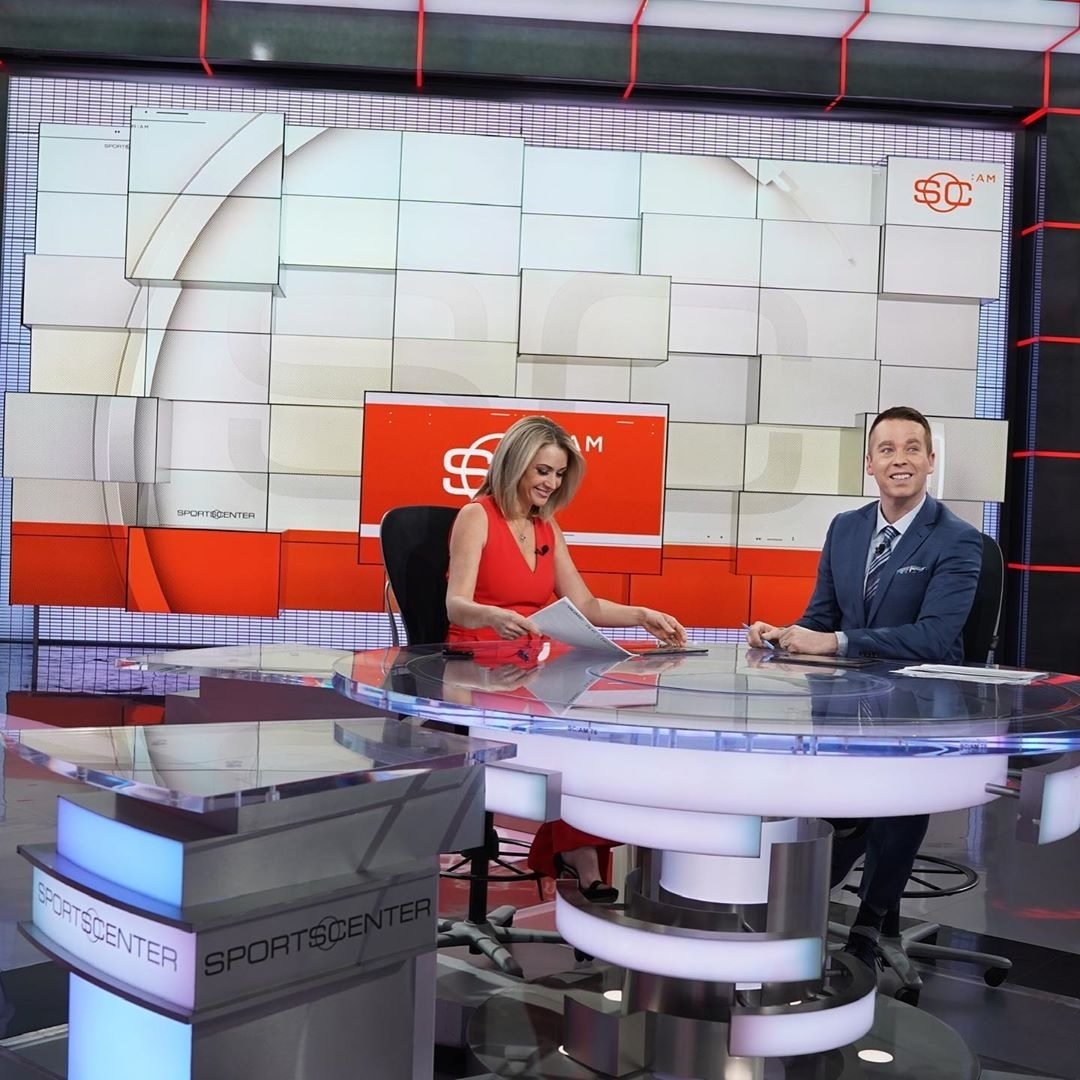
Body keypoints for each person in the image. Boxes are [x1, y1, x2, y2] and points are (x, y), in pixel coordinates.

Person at [747, 405, 982, 972]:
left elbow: (935, 637)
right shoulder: (846, 529)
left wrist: (837, 642)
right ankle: (792, 908)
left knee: (894, 802)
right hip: (846, 705)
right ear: (870, 464)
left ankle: (870, 926)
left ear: (930, 461)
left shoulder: (959, 540)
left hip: (918, 711)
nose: (900, 459)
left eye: (912, 448)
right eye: (886, 449)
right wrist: (786, 634)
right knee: (831, 810)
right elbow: (822, 617)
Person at [446, 415, 687, 901]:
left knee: (595, 735)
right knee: (571, 745)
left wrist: (641, 614)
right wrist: (493, 616)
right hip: (478, 673)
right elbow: (456, 604)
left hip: (529, 671)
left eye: (558, 474)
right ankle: (578, 856)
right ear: (514, 464)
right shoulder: (477, 516)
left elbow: (586, 606)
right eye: (542, 471)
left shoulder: (546, 525)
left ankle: (575, 852)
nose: (551, 484)